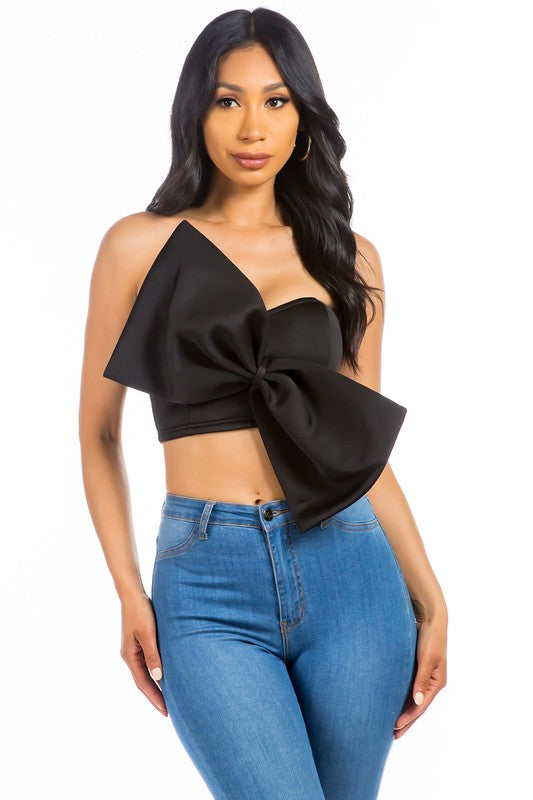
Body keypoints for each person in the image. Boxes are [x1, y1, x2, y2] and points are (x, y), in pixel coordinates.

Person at [79, 8, 448, 799]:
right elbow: (99, 435)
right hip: (204, 579)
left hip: (350, 571)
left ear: (302, 117)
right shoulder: (136, 245)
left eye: (276, 101)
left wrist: (430, 596)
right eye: (228, 100)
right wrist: (127, 591)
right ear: (195, 113)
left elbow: (360, 452)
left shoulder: (348, 260)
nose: (253, 127)